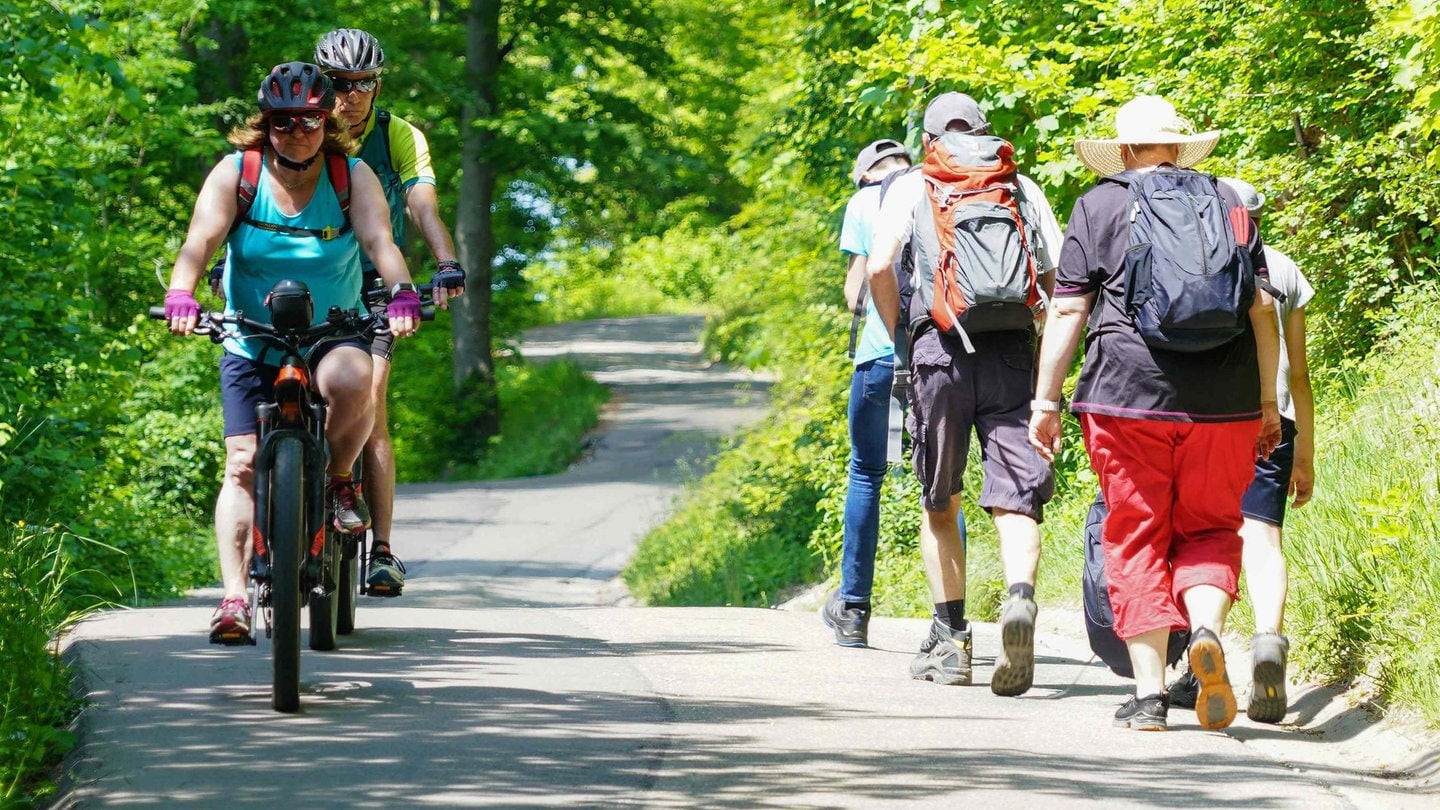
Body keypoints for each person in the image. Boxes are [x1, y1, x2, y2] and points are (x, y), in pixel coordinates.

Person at [1028, 95, 1283, 731]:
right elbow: (1261, 310)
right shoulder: (1228, 203)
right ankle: (1204, 631)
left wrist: (1046, 399)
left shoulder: (1099, 203)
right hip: (1224, 407)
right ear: (1179, 146)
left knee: (1135, 534)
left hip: (1125, 398)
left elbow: (1067, 311)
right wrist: (1264, 404)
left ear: (1125, 151)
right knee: (1211, 530)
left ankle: (1148, 698)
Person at [162, 62, 423, 644]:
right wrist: (180, 294)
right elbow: (199, 241)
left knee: (355, 379)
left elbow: (381, 241)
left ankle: (336, 482)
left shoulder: (350, 177)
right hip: (252, 334)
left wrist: (403, 293)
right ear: (266, 124)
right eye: (282, 122)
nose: (295, 132)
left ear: (326, 120)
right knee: (242, 465)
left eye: (307, 120)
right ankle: (233, 599)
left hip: (333, 328)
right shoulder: (237, 174)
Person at [865, 92, 1061, 695]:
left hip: (938, 350)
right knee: (1017, 495)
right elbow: (1057, 283)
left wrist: (904, 332)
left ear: (928, 139)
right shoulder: (1018, 186)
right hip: (1011, 353)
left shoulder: (913, 185)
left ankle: (951, 643)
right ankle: (1020, 600)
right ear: (984, 131)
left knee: (939, 500)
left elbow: (878, 267)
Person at [314, 28, 466, 597]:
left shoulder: (398, 135)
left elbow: (420, 201)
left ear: (378, 85)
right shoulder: (305, 129)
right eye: (338, 84)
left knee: (371, 404)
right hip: (315, 282)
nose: (349, 96)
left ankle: (380, 549)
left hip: (377, 284)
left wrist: (446, 262)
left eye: (362, 84)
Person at [1168, 177, 1315, 724]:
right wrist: (1306, 452)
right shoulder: (1284, 268)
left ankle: (1206, 649)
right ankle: (1269, 640)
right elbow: (1297, 372)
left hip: (1217, 419)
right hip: (1277, 421)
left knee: (1211, 535)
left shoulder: (1194, 255)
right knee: (1264, 536)